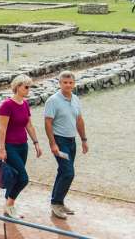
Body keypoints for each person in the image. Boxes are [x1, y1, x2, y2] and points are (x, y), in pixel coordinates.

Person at [0, 74, 42, 219]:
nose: (28, 89)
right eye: (26, 87)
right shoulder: (7, 105)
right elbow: (2, 129)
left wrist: (36, 143)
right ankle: (9, 205)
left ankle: (9, 207)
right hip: (10, 146)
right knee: (23, 178)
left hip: (23, 145)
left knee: (15, 177)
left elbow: (29, 124)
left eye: (29, 87)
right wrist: (2, 149)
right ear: (17, 87)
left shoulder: (25, 104)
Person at [44, 71, 88, 220]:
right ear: (60, 83)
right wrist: (53, 143)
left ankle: (58, 202)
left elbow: (79, 120)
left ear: (74, 84)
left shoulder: (75, 99)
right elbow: (48, 123)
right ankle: (55, 204)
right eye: (65, 82)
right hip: (60, 141)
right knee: (68, 172)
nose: (68, 85)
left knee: (63, 171)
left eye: (70, 83)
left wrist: (83, 139)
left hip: (71, 141)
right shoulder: (53, 100)